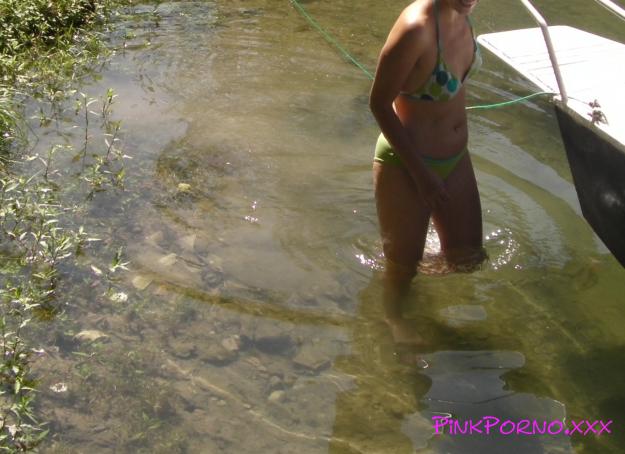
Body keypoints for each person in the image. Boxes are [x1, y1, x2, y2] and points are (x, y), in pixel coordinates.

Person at [369, 0, 486, 341]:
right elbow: (379, 104)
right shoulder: (415, 29)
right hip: (407, 164)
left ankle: (418, 254)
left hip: (455, 157)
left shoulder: (463, 14)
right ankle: (393, 322)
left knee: (467, 257)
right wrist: (422, 176)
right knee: (402, 271)